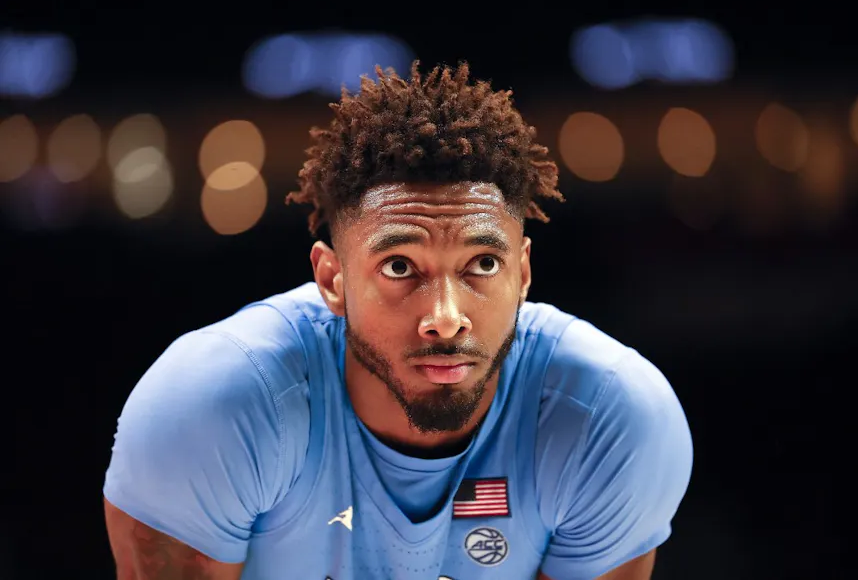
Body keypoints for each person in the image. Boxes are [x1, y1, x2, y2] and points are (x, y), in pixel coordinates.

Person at [103, 61, 693, 580]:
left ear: (524, 274)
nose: (445, 318)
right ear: (333, 280)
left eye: (482, 264)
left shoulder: (614, 417)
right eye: (400, 266)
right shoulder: (211, 406)